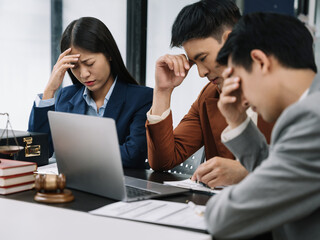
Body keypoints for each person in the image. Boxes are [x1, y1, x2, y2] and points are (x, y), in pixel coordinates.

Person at [205, 12, 320, 239]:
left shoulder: (312, 118)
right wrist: (237, 121)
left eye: (238, 79)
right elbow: (282, 174)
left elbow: (224, 218)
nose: (243, 98)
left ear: (260, 61)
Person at [146, 0, 274, 187]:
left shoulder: (284, 91)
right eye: (194, 63)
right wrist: (163, 91)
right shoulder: (210, 96)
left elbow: (306, 168)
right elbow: (162, 161)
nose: (201, 73)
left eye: (203, 58)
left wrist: (247, 172)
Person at [28, 17, 153, 169]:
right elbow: (38, 152)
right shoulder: (65, 97)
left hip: (122, 187)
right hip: (74, 187)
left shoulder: (141, 98)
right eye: (74, 66)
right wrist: (49, 91)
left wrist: (76, 150)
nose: (83, 74)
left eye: (89, 63)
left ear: (109, 54)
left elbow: (133, 155)